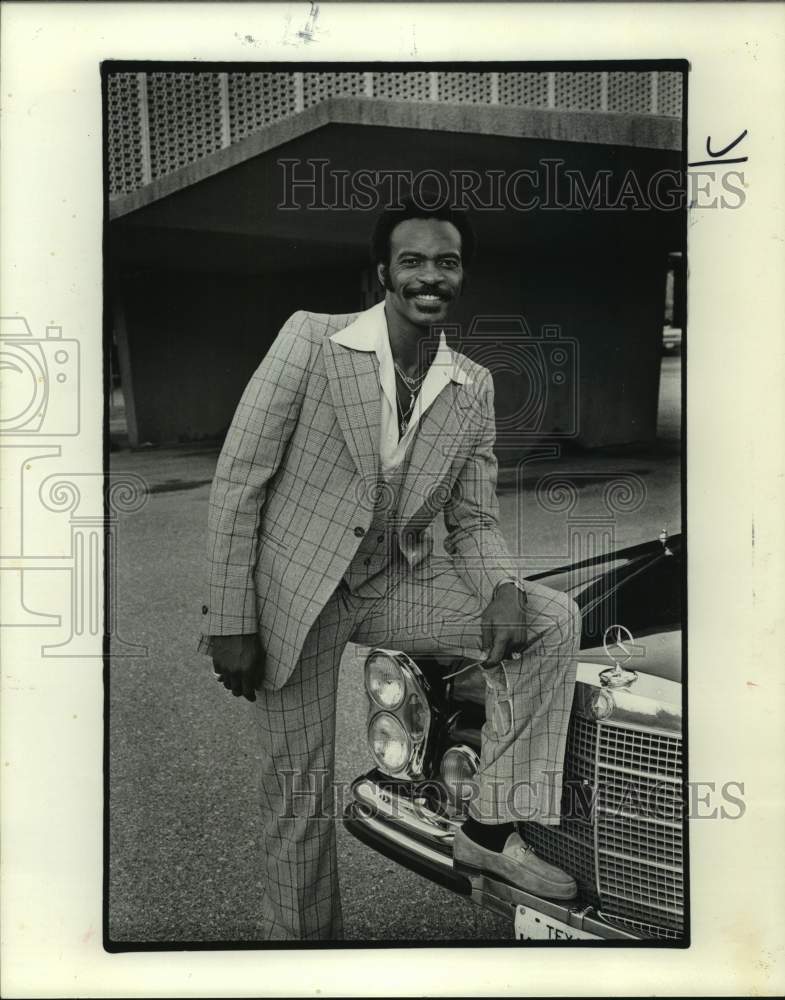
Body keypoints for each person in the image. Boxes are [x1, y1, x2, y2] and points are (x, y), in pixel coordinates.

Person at [199, 199, 582, 940]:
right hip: (293, 596)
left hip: (389, 586)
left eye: (446, 262)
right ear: (382, 273)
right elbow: (238, 479)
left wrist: (502, 585)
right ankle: (304, 960)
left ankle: (490, 825)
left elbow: (471, 519)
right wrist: (229, 619)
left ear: (460, 275)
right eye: (412, 262)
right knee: (298, 796)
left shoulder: (471, 385)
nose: (429, 277)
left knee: (548, 619)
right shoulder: (310, 341)